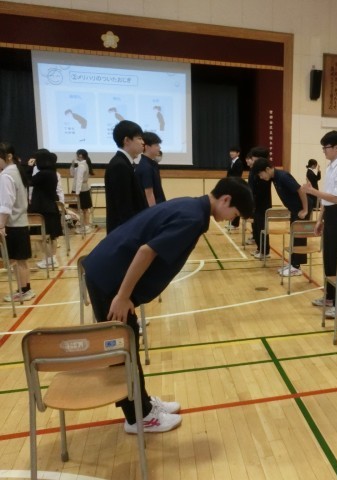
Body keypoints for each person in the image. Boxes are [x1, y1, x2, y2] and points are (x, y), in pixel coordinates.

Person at [82, 177, 253, 433]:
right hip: (109, 280)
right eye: (235, 214)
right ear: (226, 200)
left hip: (109, 274)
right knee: (122, 350)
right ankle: (137, 417)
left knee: (128, 343)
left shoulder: (193, 207)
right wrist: (123, 296)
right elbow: (145, 251)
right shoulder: (193, 218)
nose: (232, 220)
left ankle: (143, 404)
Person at [300, 130, 337, 319]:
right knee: (328, 259)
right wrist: (320, 219)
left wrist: (312, 191)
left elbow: (336, 198)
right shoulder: (330, 167)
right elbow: (326, 199)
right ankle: (330, 297)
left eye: (326, 147)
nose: (324, 150)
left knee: (336, 260)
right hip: (330, 214)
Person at [251, 157, 309, 276]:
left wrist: (305, 210)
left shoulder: (283, 176)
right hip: (294, 209)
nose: (261, 177)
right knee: (294, 236)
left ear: (267, 169)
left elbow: (300, 190)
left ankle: (296, 267)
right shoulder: (274, 178)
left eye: (261, 174)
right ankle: (293, 264)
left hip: (301, 209)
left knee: (299, 238)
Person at [0, 142, 35, 302]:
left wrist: (1, 224)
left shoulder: (7, 175)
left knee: (16, 261)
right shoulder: (17, 171)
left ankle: (23, 291)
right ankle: (25, 289)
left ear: (8, 156)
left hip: (13, 224)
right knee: (21, 261)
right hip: (21, 222)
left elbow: (6, 204)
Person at [105, 120, 147, 233]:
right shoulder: (119, 165)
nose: (143, 142)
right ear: (127, 140)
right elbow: (124, 207)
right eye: (139, 138)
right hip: (124, 232)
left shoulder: (124, 163)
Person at [28, 149, 63, 269]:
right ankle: (52, 258)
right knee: (51, 235)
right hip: (51, 207)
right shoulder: (52, 173)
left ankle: (49, 259)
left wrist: (29, 168)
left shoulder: (43, 174)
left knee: (41, 236)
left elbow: (28, 181)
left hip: (42, 208)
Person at [246, 147, 273, 259]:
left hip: (262, 205)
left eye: (254, 158)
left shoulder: (264, 171)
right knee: (256, 228)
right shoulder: (254, 170)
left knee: (262, 228)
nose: (252, 160)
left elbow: (260, 190)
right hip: (255, 204)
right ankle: (259, 248)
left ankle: (265, 251)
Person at [135, 132, 166, 207]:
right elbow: (149, 194)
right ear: (147, 147)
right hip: (151, 208)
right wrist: (154, 212)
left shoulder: (152, 164)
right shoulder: (146, 167)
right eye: (156, 145)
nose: (159, 148)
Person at [70, 148, 95, 234]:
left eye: (77, 155)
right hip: (81, 188)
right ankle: (84, 225)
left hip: (80, 189)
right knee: (83, 208)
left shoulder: (82, 165)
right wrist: (72, 165)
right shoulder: (82, 164)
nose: (76, 156)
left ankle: (85, 226)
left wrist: (77, 193)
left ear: (80, 156)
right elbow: (72, 174)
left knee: (81, 208)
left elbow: (79, 180)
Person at [226, 145, 243, 229]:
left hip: (236, 186)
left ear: (238, 153)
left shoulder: (239, 163)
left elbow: (237, 176)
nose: (231, 153)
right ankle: (232, 222)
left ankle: (235, 224)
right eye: (230, 151)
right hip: (231, 186)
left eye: (233, 152)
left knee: (235, 205)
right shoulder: (231, 162)